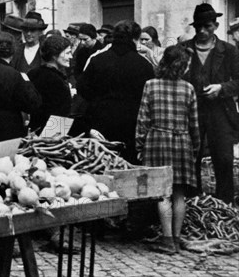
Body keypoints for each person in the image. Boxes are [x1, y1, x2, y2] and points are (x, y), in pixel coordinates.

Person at [136, 46, 200, 254]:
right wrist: (195, 147)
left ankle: (167, 240)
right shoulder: (188, 88)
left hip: (157, 140)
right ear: (182, 66)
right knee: (179, 194)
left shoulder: (150, 85)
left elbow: (143, 119)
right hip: (182, 141)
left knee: (163, 194)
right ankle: (178, 237)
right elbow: (194, 123)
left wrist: (140, 145)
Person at [180, 3, 239, 204]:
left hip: (221, 111)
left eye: (207, 27)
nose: (203, 32)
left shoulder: (229, 51)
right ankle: (192, 204)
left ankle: (225, 205)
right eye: (198, 28)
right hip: (190, 112)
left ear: (215, 25)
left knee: (223, 158)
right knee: (190, 159)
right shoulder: (183, 49)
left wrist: (221, 89)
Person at [77, 20, 155, 164]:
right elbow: (149, 99)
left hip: (100, 126)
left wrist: (98, 100)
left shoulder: (97, 60)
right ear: (135, 39)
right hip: (131, 128)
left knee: (100, 170)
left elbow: (82, 88)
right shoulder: (144, 65)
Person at [28, 36, 73, 134]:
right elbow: (60, 117)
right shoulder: (57, 81)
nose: (71, 57)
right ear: (54, 55)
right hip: (50, 136)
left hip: (33, 131)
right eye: (68, 53)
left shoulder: (33, 73)